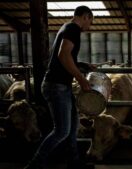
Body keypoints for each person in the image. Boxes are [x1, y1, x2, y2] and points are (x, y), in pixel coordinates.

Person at [24, 6, 95, 169]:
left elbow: (64, 57)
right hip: (57, 86)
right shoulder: (73, 29)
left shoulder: (66, 27)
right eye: (90, 21)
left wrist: (83, 65)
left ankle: (74, 162)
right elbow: (63, 55)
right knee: (61, 131)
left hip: (61, 86)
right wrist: (81, 79)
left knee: (72, 127)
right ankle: (35, 164)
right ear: (85, 16)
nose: (89, 26)